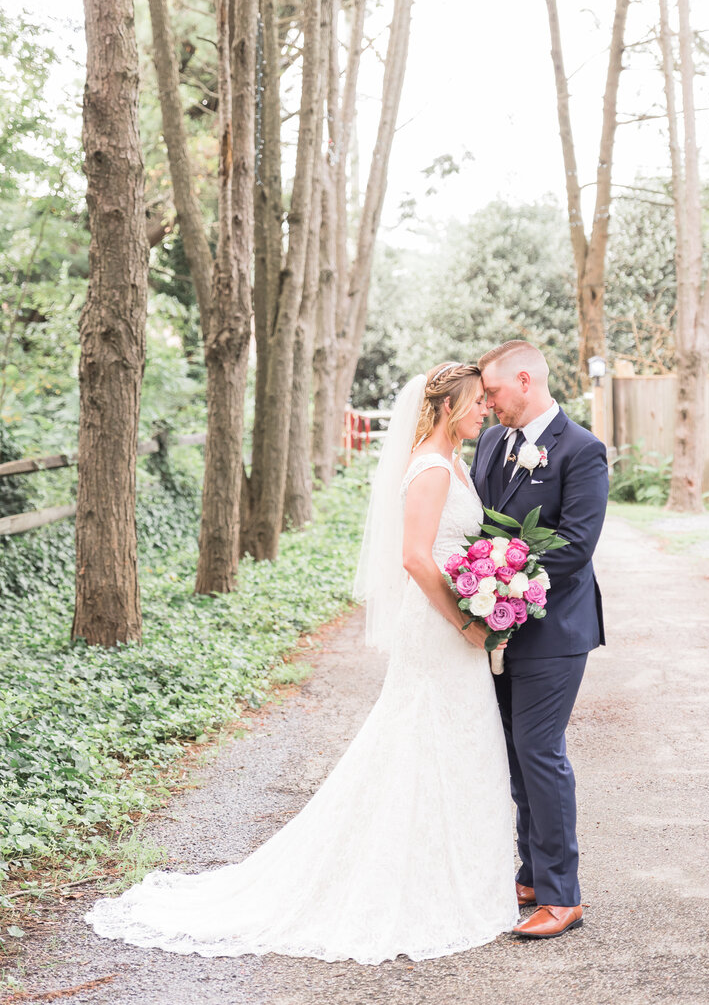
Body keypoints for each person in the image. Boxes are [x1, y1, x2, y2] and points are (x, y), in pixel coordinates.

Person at [84, 362, 518, 964]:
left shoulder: (452, 461)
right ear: (446, 407)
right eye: (475, 404)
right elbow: (416, 559)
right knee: (426, 737)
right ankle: (414, 874)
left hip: (452, 625)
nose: (484, 412)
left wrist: (491, 586)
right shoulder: (430, 469)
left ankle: (451, 864)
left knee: (450, 740)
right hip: (441, 627)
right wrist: (470, 621)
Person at [472, 340, 608, 940]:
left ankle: (562, 895)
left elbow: (575, 548)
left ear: (525, 381)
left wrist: (508, 588)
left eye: (493, 392)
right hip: (491, 624)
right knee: (511, 752)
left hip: (555, 628)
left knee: (539, 751)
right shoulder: (489, 442)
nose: (486, 402)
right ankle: (530, 874)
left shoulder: (581, 451)